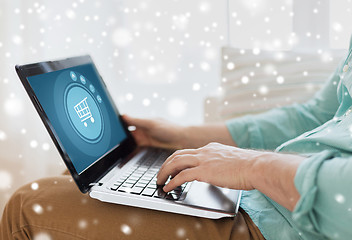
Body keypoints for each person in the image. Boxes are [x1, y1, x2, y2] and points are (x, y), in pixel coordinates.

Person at [2, 41, 352, 240]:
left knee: (28, 205)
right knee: (92, 181)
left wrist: (251, 165)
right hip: (272, 196)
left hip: (293, 227)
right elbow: (314, 116)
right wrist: (180, 136)